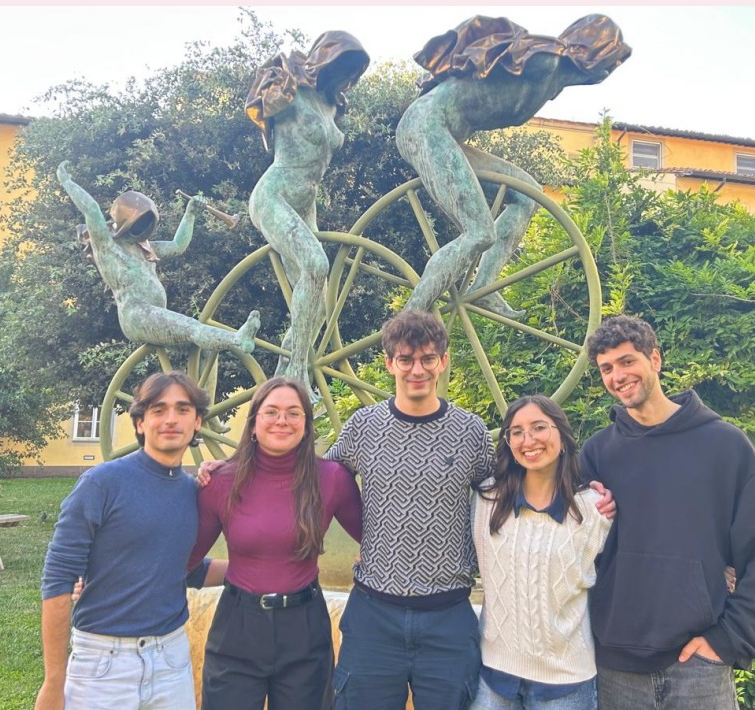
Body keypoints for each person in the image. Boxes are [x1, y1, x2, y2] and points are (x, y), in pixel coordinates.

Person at [322, 311, 613, 709]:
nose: (417, 370)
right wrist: (362, 536)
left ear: (443, 361)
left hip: (448, 617)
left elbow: (514, 481)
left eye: (428, 358)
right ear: (389, 363)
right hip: (374, 613)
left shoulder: (469, 430)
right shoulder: (363, 426)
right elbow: (325, 479)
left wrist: (584, 489)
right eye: (405, 359)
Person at [579, 315, 755, 710]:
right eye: (606, 368)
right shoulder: (597, 453)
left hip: (699, 667)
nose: (617, 376)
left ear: (655, 359)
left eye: (627, 361)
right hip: (616, 668)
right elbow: (571, 550)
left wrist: (728, 639)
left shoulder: (724, 446)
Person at [396, 15, 630, 316]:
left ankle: (484, 286)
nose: (608, 72)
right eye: (611, 60)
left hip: (447, 135)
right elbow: (504, 49)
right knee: (479, 233)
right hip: (425, 127)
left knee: (528, 194)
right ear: (593, 53)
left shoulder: (553, 79)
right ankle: (408, 321)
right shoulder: (544, 61)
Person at [36, 371, 225, 710]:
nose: (171, 419)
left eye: (183, 409)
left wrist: (262, 569)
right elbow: (58, 579)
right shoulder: (101, 483)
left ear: (197, 422)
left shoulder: (192, 491)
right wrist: (54, 681)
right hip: (102, 664)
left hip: (171, 660)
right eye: (158, 410)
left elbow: (184, 570)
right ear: (140, 422)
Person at [188, 376, 363, 710]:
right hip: (237, 628)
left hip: (305, 628)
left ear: (306, 426)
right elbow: (183, 562)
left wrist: (370, 562)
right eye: (271, 412)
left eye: (294, 413)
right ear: (253, 424)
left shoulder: (332, 479)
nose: (282, 420)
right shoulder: (220, 481)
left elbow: (378, 539)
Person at [246, 31, 370, 398]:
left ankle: (281, 376)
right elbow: (261, 103)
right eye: (344, 67)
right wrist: (277, 83)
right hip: (275, 195)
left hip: (305, 203)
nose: (348, 78)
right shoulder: (292, 91)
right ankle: (298, 371)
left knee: (319, 302)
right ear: (327, 61)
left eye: (353, 72)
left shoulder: (331, 106)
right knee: (316, 266)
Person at [472, 395, 612, 710]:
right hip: (492, 677)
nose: (528, 440)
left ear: (562, 437)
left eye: (539, 427)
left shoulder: (594, 509)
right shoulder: (486, 500)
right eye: (517, 432)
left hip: (567, 683)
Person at [57, 161, 260, 354]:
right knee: (192, 327)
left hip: (155, 314)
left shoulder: (145, 248)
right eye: (138, 222)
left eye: (145, 222)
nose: (142, 228)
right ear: (124, 223)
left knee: (204, 349)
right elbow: (92, 210)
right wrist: (67, 182)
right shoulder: (107, 247)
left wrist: (189, 215)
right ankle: (237, 339)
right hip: (136, 315)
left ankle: (205, 378)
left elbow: (177, 246)